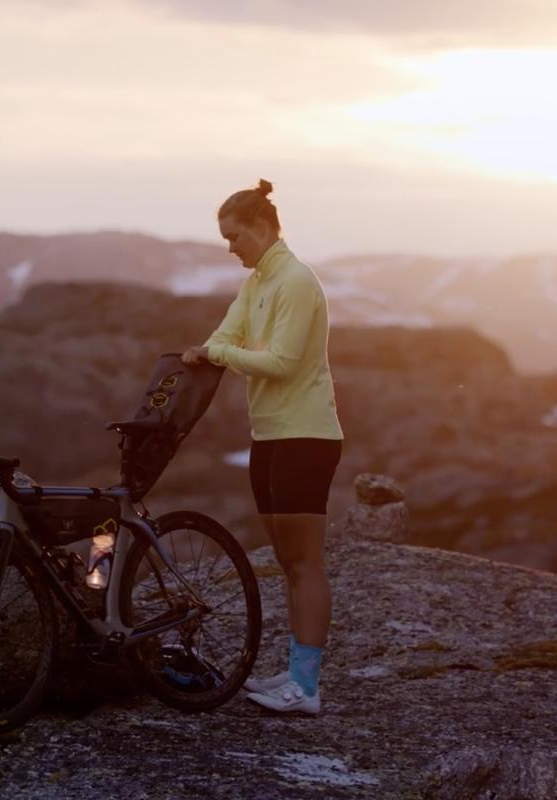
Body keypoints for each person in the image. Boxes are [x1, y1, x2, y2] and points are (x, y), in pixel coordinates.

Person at [182, 179, 343, 714]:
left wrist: (219, 354)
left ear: (260, 226)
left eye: (234, 236)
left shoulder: (296, 281)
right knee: (288, 561)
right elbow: (220, 338)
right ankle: (296, 675)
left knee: (305, 562)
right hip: (270, 436)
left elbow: (282, 362)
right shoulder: (256, 284)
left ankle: (307, 688)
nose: (230, 248)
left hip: (307, 435)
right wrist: (214, 350)